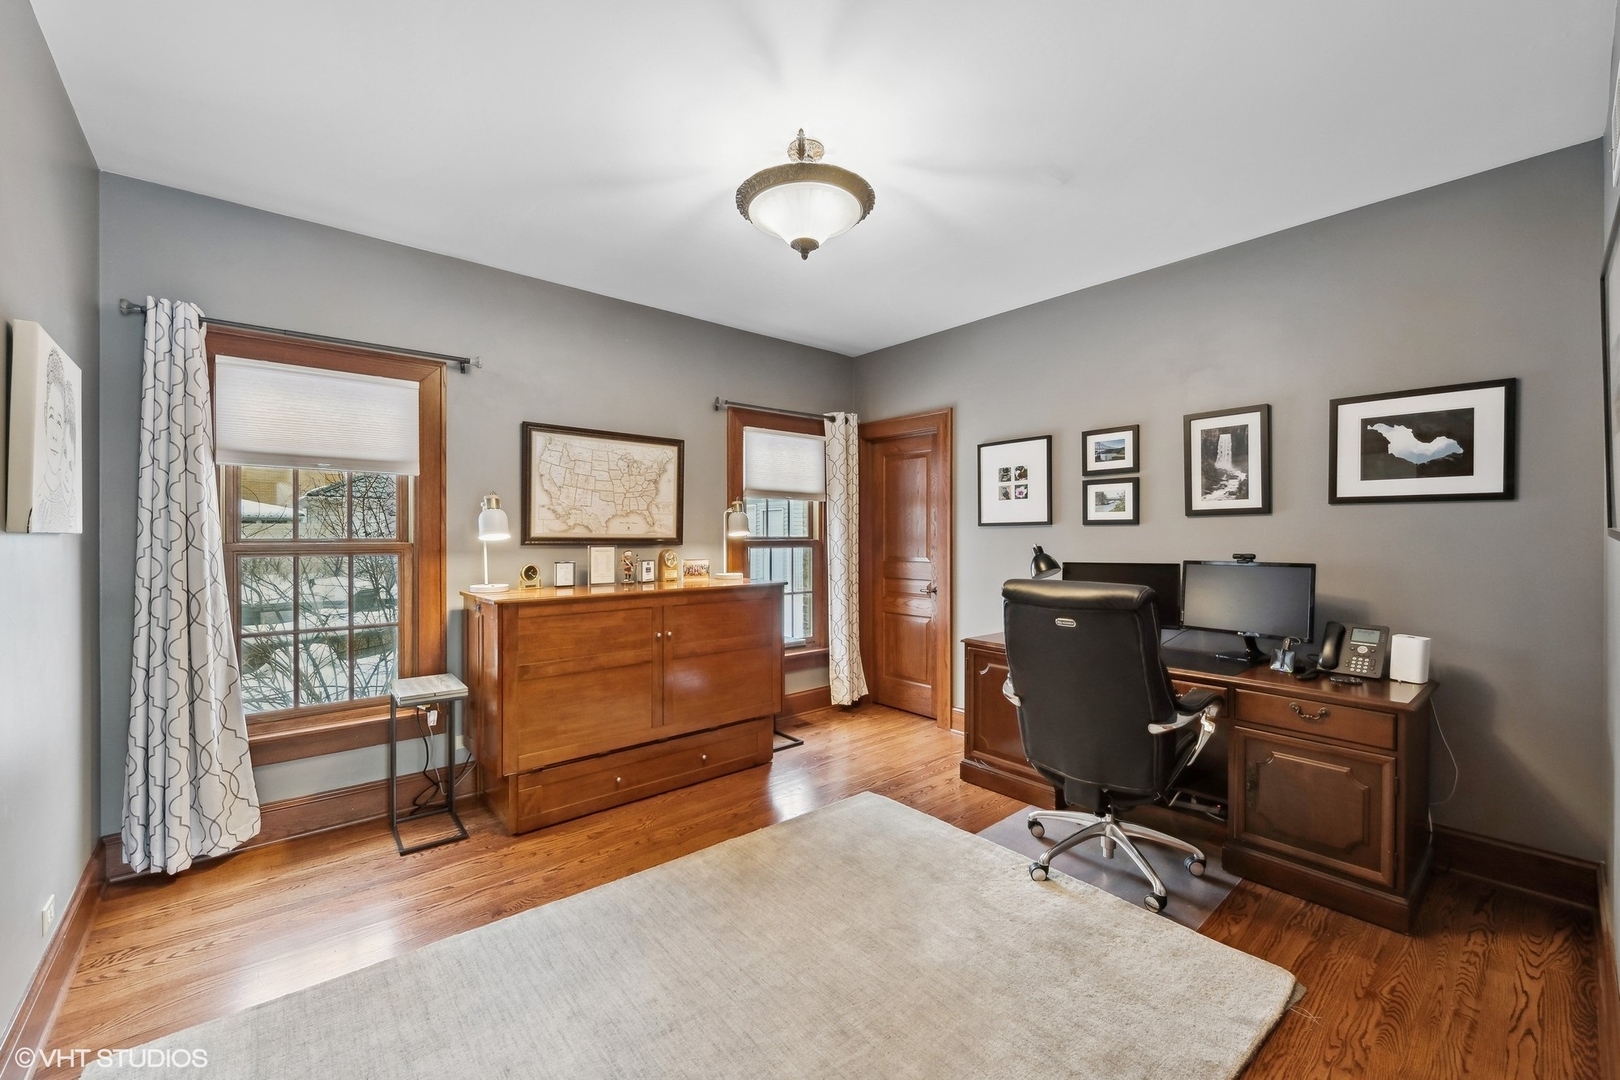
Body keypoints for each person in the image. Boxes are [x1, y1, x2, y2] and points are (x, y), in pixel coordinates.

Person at [31, 348, 78, 533]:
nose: (55, 435)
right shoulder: (40, 501)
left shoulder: (67, 500)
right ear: (44, 416)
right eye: (51, 417)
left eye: (60, 422)